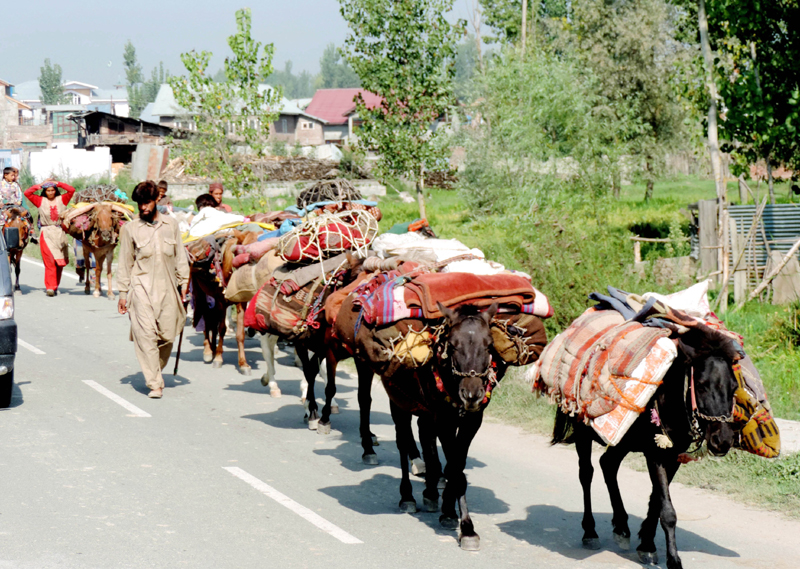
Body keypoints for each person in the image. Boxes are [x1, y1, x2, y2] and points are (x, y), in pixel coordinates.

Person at [117, 181, 190, 399]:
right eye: (139, 204)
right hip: (141, 288)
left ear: (157, 200)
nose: (143, 208)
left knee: (167, 335)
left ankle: (154, 368)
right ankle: (154, 383)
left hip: (168, 288)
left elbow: (179, 257)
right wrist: (123, 293)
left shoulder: (171, 225)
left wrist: (184, 283)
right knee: (146, 335)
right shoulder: (130, 229)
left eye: (147, 203)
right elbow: (125, 262)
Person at [23, 179, 75, 296]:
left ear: (55, 190)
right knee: (50, 261)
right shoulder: (40, 200)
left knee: (59, 262)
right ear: (45, 191)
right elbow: (27, 193)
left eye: (52, 190)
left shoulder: (62, 199)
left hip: (60, 232)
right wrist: (40, 185)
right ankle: (50, 287)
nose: (50, 193)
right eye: (48, 191)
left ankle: (55, 285)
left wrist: (58, 183)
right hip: (46, 233)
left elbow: (71, 190)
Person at [1, 168, 36, 239]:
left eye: (14, 175)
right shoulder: (1, 185)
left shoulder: (16, 185)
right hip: (3, 206)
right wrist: (2, 202)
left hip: (15, 205)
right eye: (12, 175)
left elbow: (19, 194)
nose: (14, 177)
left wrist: (18, 202)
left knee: (27, 214)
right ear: (5, 175)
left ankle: (31, 231)